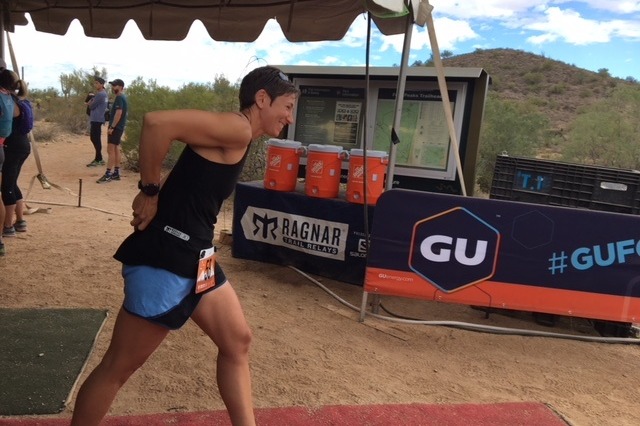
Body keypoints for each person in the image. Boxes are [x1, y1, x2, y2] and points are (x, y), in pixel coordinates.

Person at [70, 65, 298, 426]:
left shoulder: (239, 136)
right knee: (118, 366)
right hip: (167, 257)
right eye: (287, 106)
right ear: (261, 99)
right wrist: (149, 191)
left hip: (198, 257)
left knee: (237, 341)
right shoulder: (238, 127)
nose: (289, 117)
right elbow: (157, 123)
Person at [1, 70, 32, 239]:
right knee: (12, 183)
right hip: (22, 145)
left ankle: (8, 226)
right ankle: (20, 221)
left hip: (11, 146)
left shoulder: (8, 101)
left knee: (6, 186)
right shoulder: (19, 100)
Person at [97, 79, 128, 183]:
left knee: (110, 150)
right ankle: (116, 173)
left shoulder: (119, 97)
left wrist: (112, 127)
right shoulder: (123, 97)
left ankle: (108, 174)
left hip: (116, 127)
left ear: (121, 87)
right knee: (115, 149)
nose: (113, 87)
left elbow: (118, 113)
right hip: (120, 127)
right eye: (112, 85)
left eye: (115, 85)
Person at [86, 76, 108, 167]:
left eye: (97, 83)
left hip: (96, 119)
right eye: (95, 83)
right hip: (98, 119)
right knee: (95, 138)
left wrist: (90, 103)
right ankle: (99, 158)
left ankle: (99, 159)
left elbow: (91, 106)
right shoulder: (104, 94)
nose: (95, 85)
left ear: (102, 84)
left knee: (95, 138)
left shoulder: (100, 94)